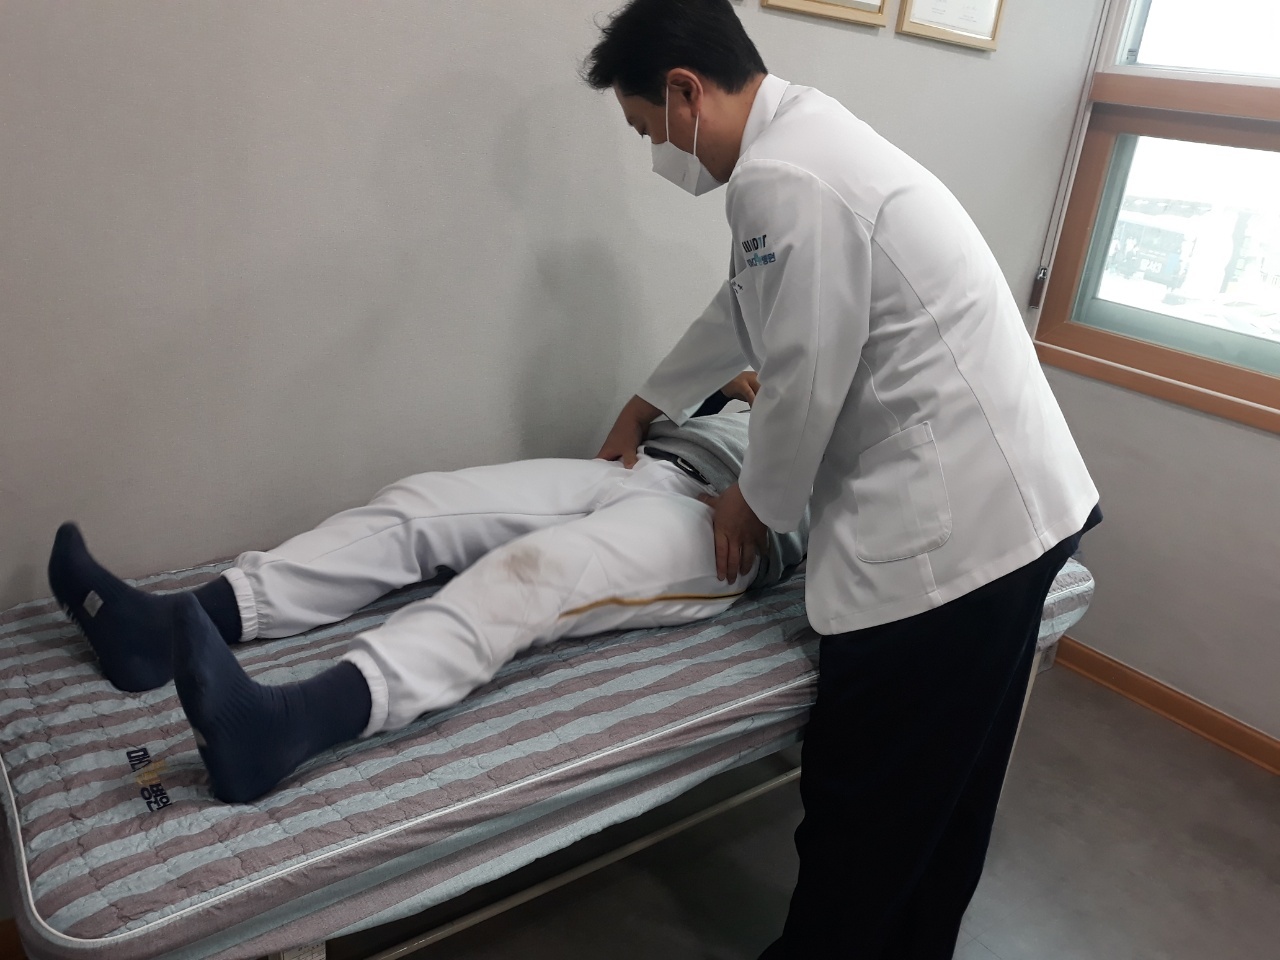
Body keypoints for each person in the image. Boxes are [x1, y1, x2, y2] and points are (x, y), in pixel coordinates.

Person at [583, 2, 1101, 958]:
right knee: (944, 799)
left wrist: (750, 503)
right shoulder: (807, 143)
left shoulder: (786, 177)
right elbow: (748, 304)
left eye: (648, 128)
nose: (657, 152)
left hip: (956, 544)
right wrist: (648, 403)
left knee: (867, 806)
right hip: (1018, 507)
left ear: (687, 92)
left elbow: (804, 374)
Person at [47, 372, 807, 804]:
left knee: (531, 576)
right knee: (424, 505)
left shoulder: (857, 389)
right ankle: (159, 632)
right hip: (649, 467)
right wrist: (722, 387)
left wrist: (780, 466)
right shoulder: (765, 338)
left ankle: (283, 727)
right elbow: (704, 359)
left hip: (727, 531)